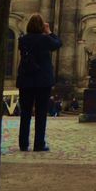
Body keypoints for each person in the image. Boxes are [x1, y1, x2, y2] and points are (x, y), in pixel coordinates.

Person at [16, 13, 61, 152]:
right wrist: (49, 32)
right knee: (41, 114)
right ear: (42, 26)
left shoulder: (22, 40)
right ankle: (39, 144)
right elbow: (58, 44)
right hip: (42, 81)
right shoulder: (45, 39)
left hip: (26, 79)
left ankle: (23, 144)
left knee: (25, 113)